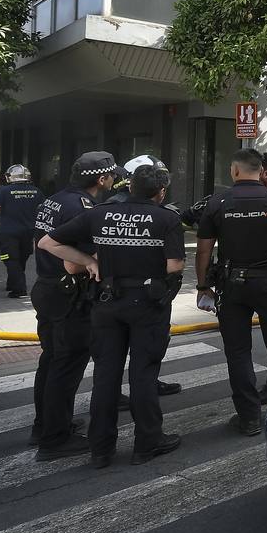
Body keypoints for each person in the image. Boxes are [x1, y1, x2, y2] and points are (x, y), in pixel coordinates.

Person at [39, 162, 185, 468]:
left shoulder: (99, 213)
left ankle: (101, 449)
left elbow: (48, 242)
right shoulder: (166, 218)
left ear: (129, 187)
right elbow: (174, 266)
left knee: (106, 375)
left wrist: (89, 263)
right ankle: (147, 443)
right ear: (161, 192)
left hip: (106, 302)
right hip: (147, 304)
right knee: (143, 373)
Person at [195, 149, 267, 434]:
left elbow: (204, 250)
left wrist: (203, 286)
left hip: (232, 286)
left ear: (235, 171)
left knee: (238, 352)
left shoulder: (218, 202)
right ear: (261, 170)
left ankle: (250, 417)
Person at [28, 152, 117, 455]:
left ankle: (45, 426)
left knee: (51, 359)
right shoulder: (84, 207)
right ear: (102, 179)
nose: (114, 180)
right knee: (66, 365)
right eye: (112, 176)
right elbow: (74, 264)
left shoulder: (54, 199)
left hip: (46, 287)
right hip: (69, 294)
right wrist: (98, 260)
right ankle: (55, 438)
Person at [99, 154, 183, 409]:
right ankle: (142, 415)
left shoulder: (112, 209)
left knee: (141, 355)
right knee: (135, 358)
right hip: (136, 295)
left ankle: (144, 386)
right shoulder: (115, 208)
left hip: (126, 296)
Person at [0, 164, 45, 298]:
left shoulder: (4, 191)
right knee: (21, 258)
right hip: (30, 232)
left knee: (9, 258)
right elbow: (43, 210)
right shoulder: (36, 191)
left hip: (10, 233)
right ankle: (12, 282)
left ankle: (19, 289)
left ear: (10, 177)